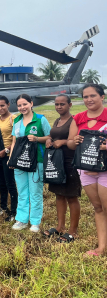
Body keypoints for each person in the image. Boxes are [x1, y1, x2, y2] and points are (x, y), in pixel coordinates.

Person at [67, 84, 107, 256]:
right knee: (98, 208)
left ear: (102, 97)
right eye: (85, 97)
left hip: (105, 170)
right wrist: (75, 140)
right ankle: (101, 248)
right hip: (85, 169)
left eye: (93, 96)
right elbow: (69, 143)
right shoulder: (78, 118)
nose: (89, 100)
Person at [8, 94, 51, 233]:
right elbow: (14, 142)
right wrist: (11, 159)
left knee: (35, 192)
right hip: (20, 162)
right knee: (22, 191)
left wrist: (38, 138)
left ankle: (35, 222)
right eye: (19, 105)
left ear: (31, 103)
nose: (22, 107)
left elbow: (50, 138)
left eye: (25, 104)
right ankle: (21, 219)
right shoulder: (17, 121)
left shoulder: (40, 119)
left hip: (36, 161)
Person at [42, 95, 81, 242]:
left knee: (71, 196)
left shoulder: (73, 120)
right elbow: (53, 136)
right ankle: (60, 227)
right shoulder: (58, 121)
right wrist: (49, 140)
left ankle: (73, 231)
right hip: (56, 162)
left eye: (62, 104)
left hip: (69, 162)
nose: (59, 107)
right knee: (59, 195)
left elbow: (73, 141)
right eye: (57, 104)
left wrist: (63, 141)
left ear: (70, 105)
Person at [0, 95, 18, 222]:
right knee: (1, 183)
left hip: (8, 155)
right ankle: (3, 206)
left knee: (10, 184)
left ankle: (14, 211)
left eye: (2, 105)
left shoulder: (14, 118)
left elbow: (17, 139)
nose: (0, 108)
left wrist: (6, 150)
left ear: (8, 104)